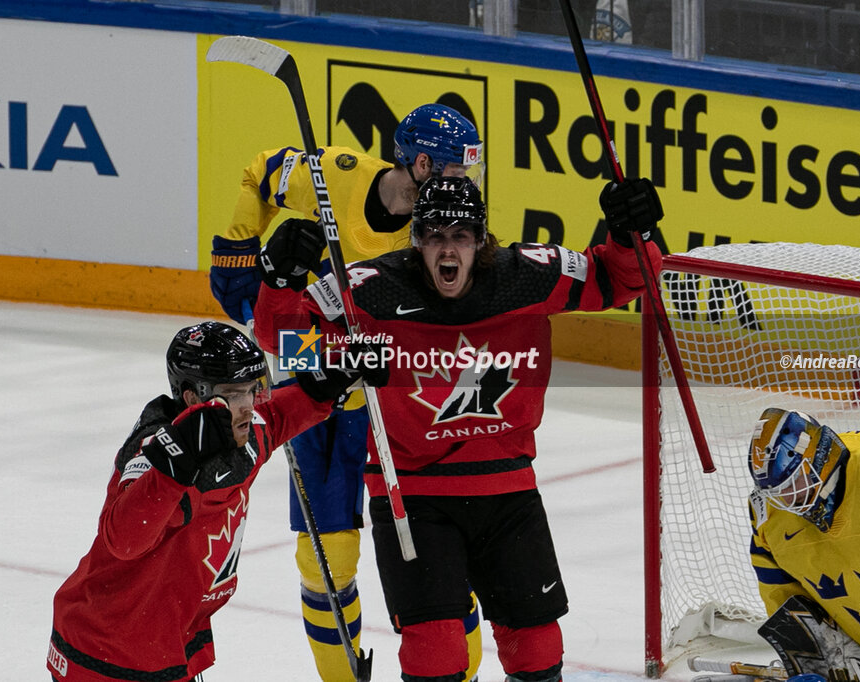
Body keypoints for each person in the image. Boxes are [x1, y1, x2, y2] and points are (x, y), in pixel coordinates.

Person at [253, 174, 664, 681]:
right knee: (436, 653)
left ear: (481, 239)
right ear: (417, 238)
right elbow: (285, 343)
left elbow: (620, 279)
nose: (448, 249)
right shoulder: (371, 289)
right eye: (434, 235)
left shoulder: (528, 276)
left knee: (537, 647)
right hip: (412, 495)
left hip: (508, 489)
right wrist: (283, 284)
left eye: (461, 236)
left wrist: (630, 234)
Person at [208, 103, 486, 680]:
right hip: (322, 395)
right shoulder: (333, 173)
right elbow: (260, 171)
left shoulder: (453, 234)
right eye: (459, 172)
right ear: (424, 163)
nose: (468, 187)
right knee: (325, 563)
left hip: (403, 406)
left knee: (439, 556)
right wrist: (246, 260)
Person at [45, 321, 382, 682]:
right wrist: (174, 466)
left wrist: (331, 382)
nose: (249, 406)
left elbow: (279, 415)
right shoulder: (152, 451)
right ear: (193, 397)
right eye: (235, 394)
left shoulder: (244, 432)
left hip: (167, 638)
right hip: (110, 649)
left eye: (252, 390)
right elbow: (124, 539)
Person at [747, 407, 860, 665]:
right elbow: (780, 592)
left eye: (792, 483)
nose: (786, 499)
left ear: (819, 459)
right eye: (777, 491)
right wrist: (813, 659)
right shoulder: (770, 513)